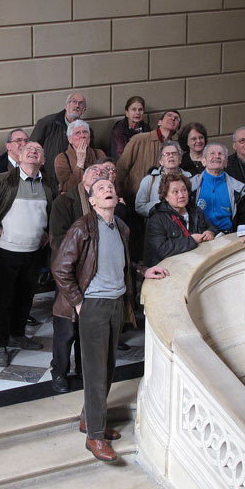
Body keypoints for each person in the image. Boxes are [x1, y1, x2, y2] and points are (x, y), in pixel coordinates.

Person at [52, 177, 168, 462]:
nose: (107, 191)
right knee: (94, 371)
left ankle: (89, 418)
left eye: (110, 188)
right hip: (93, 306)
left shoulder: (121, 227)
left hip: (117, 303)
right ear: (91, 200)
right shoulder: (83, 227)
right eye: (100, 189)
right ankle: (95, 435)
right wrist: (79, 302)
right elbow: (60, 268)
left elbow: (125, 263)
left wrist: (143, 272)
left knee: (107, 367)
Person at [0, 141, 55, 368]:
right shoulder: (5, 180)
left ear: (43, 160)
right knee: (3, 300)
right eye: (28, 150)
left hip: (33, 252)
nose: (33, 152)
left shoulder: (47, 187)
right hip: (6, 252)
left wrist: (47, 233)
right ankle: (0, 345)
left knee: (25, 298)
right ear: (20, 157)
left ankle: (17, 336)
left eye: (38, 151)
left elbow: (50, 214)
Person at [48, 163, 105, 394]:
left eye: (103, 174)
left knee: (88, 329)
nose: (98, 175)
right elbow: (57, 239)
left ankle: (84, 369)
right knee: (66, 330)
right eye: (94, 172)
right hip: (70, 273)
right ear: (84, 177)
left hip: (98, 276)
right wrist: (84, 257)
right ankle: (59, 371)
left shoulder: (109, 207)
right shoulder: (64, 202)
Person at [143, 173, 218, 268]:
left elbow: (212, 226)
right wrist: (192, 240)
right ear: (165, 196)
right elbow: (161, 250)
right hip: (169, 269)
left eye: (184, 190)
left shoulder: (195, 211)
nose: (181, 195)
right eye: (175, 192)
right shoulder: (157, 218)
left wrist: (210, 232)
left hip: (196, 263)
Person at [115, 108, 182, 203]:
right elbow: (122, 168)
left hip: (163, 202)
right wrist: (120, 196)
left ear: (177, 128)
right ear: (159, 122)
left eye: (176, 118)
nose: (173, 118)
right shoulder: (139, 139)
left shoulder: (176, 149)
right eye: (169, 116)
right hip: (134, 201)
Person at [31, 92, 92, 191]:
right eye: (74, 102)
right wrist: (42, 178)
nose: (77, 106)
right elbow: (32, 150)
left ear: (83, 110)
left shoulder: (87, 132)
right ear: (66, 105)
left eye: (81, 104)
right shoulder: (47, 123)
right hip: (47, 182)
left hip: (74, 185)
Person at [190, 143, 245, 233]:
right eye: (212, 154)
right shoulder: (190, 186)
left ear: (225, 163)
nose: (217, 156)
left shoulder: (238, 189)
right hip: (200, 236)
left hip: (227, 237)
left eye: (220, 154)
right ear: (203, 161)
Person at [135, 140, 190, 217]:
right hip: (157, 225)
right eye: (167, 154)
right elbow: (139, 207)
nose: (171, 156)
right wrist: (162, 206)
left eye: (174, 154)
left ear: (180, 159)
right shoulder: (149, 180)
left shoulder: (189, 178)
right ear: (160, 161)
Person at [54, 119, 106, 193]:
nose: (82, 136)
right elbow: (67, 188)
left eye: (85, 132)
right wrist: (80, 163)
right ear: (70, 139)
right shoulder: (62, 158)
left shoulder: (99, 153)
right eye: (77, 133)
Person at [110, 95, 149, 160]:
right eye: (134, 109)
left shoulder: (146, 128)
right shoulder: (118, 130)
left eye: (140, 110)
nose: (137, 112)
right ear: (127, 113)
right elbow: (120, 156)